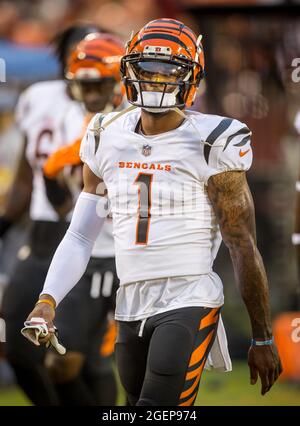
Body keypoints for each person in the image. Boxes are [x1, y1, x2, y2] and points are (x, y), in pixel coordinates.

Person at [25, 18, 282, 406]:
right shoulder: (104, 134)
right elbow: (80, 235)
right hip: (130, 298)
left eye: (169, 72)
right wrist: (48, 299)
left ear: (191, 78)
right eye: (148, 70)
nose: (157, 81)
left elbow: (242, 244)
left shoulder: (213, 141)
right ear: (129, 70)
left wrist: (263, 336)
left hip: (189, 294)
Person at [1, 24, 116, 406]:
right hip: (45, 235)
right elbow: (26, 179)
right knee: (19, 347)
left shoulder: (122, 113)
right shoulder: (39, 97)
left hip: (101, 242)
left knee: (80, 362)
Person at [42, 32, 126, 406]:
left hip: (133, 257)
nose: (91, 95)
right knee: (64, 363)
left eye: (99, 85)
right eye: (83, 86)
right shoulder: (82, 126)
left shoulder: (139, 124)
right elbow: (63, 207)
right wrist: (51, 173)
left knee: (126, 367)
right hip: (88, 255)